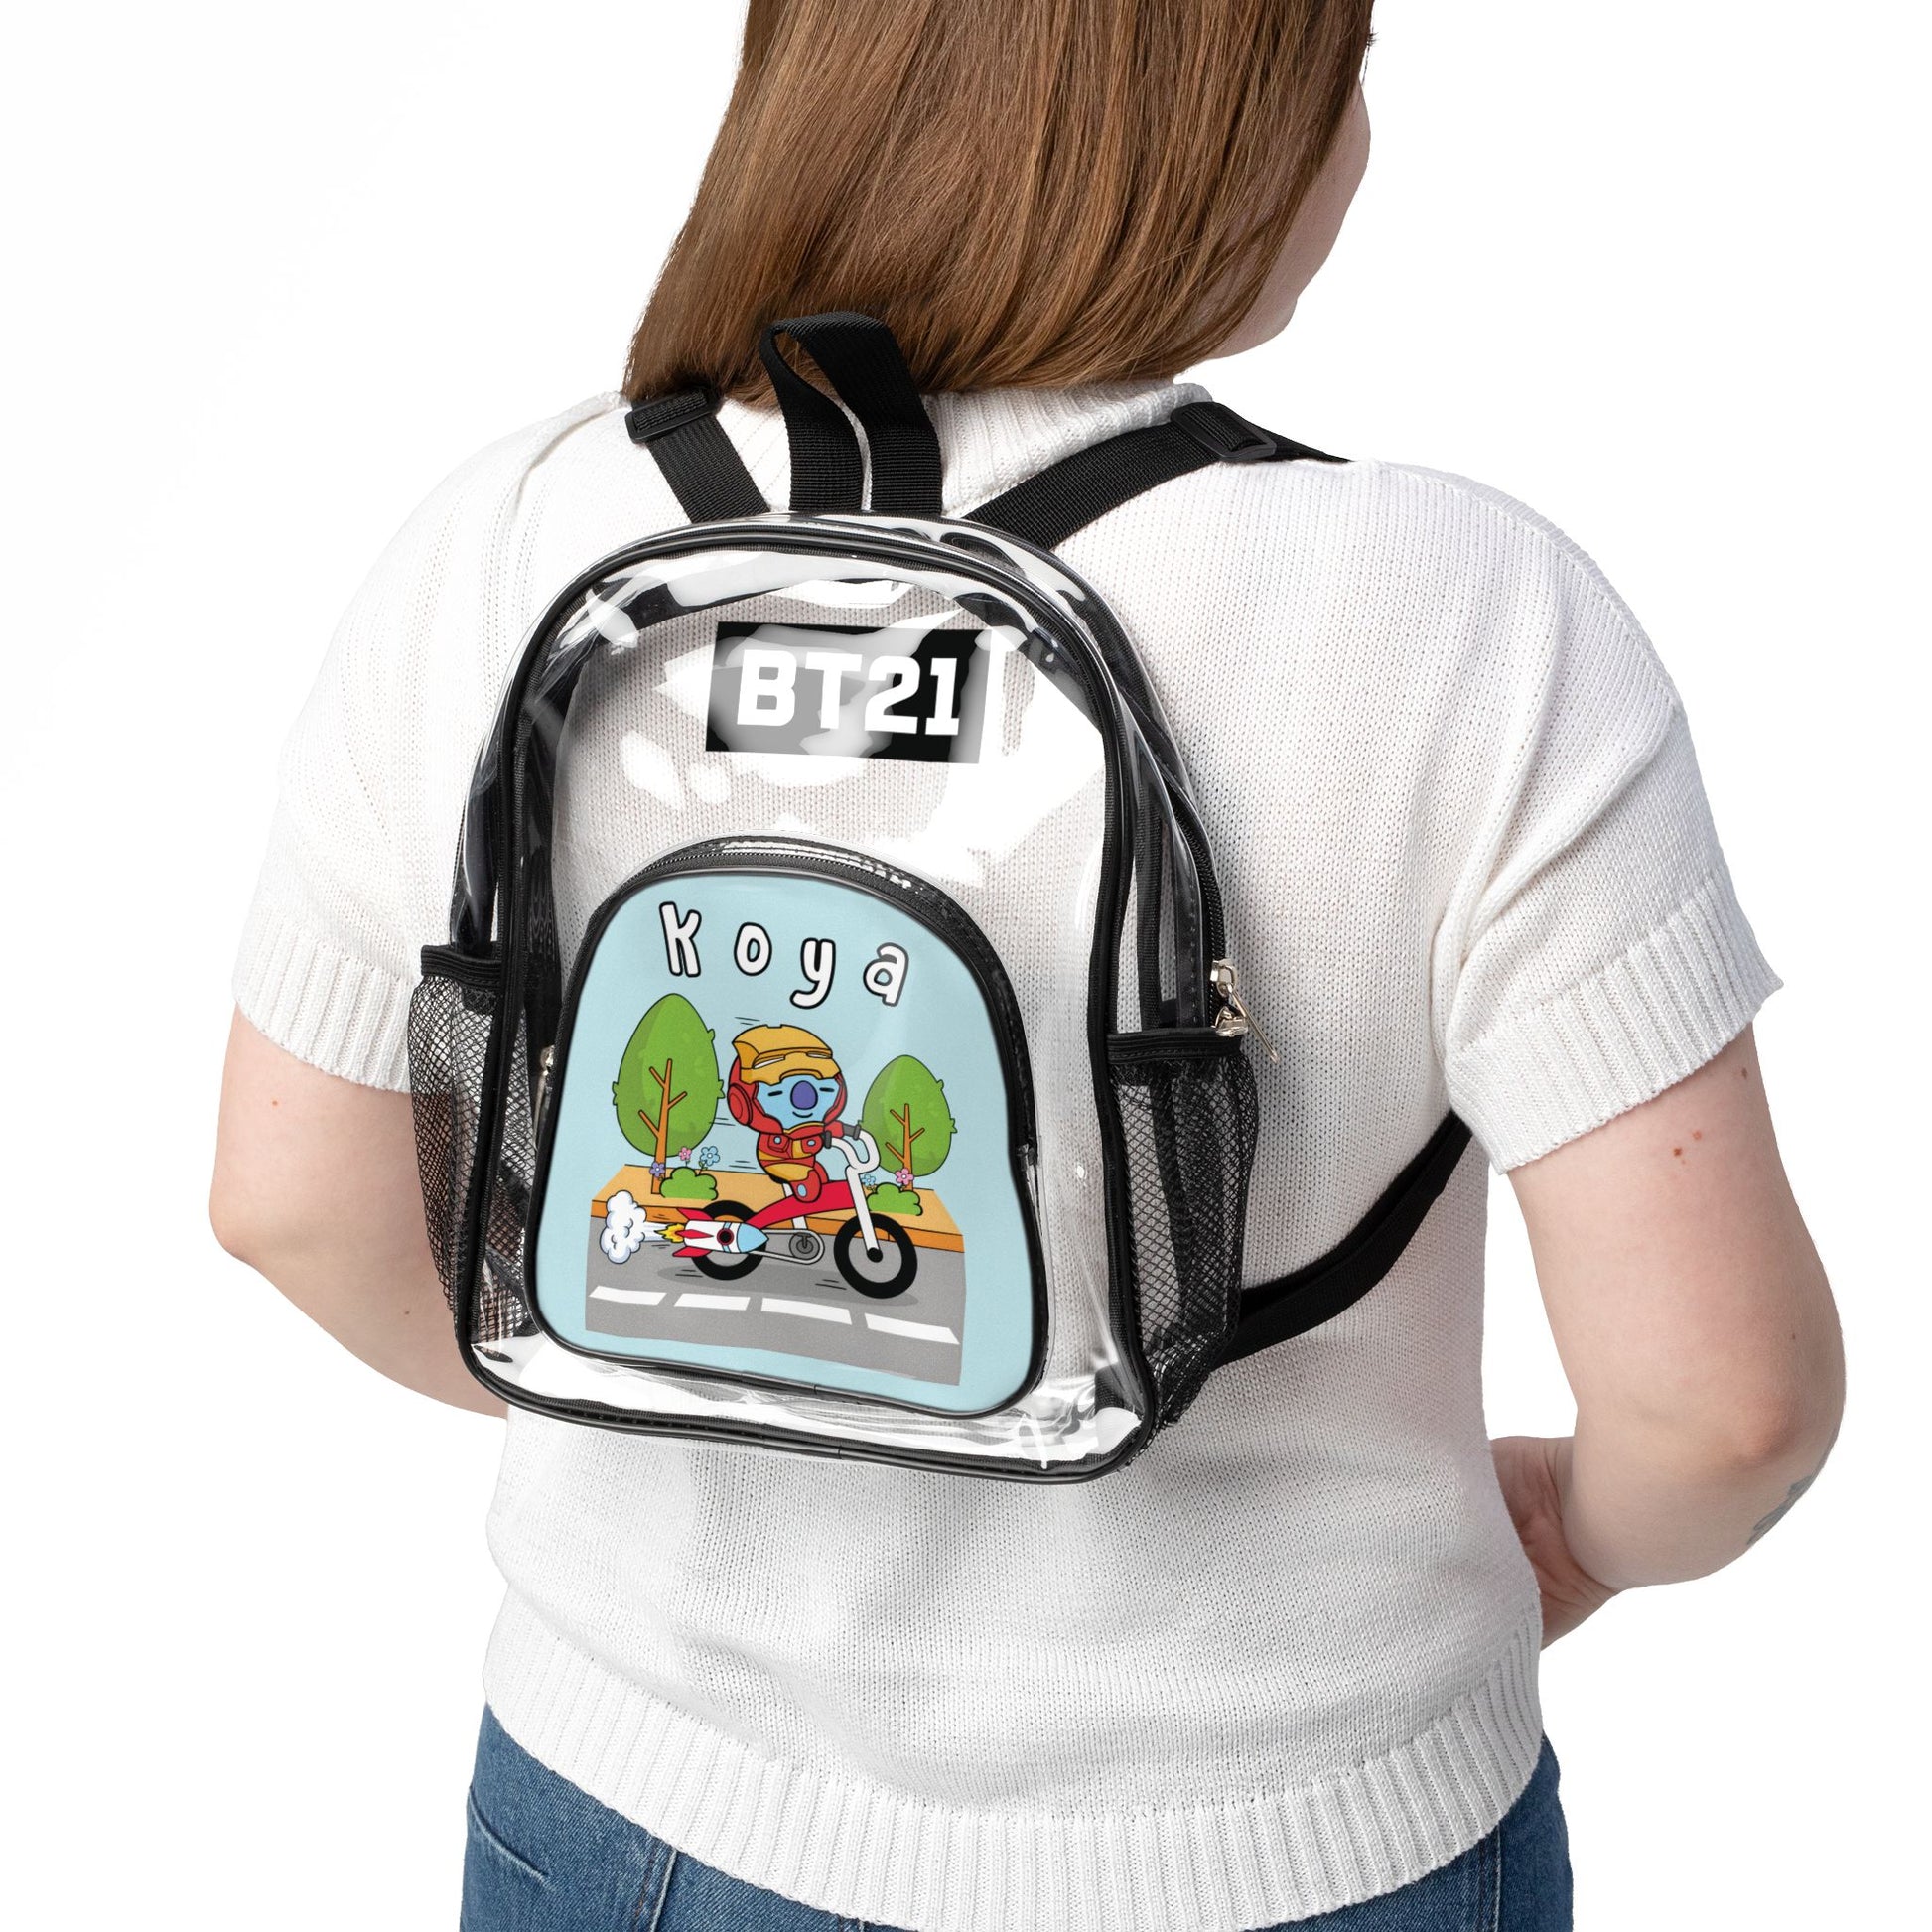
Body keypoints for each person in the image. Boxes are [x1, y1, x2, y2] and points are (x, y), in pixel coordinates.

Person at [207, 4, 1845, 1928]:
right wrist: (1579, 1534)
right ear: (1229, 122)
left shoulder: (503, 535)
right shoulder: (1470, 616)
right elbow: (1722, 1407)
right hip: (1300, 1829)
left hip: (621, 1803)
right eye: (1345, 65)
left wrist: (693, 1366)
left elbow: (290, 1201)